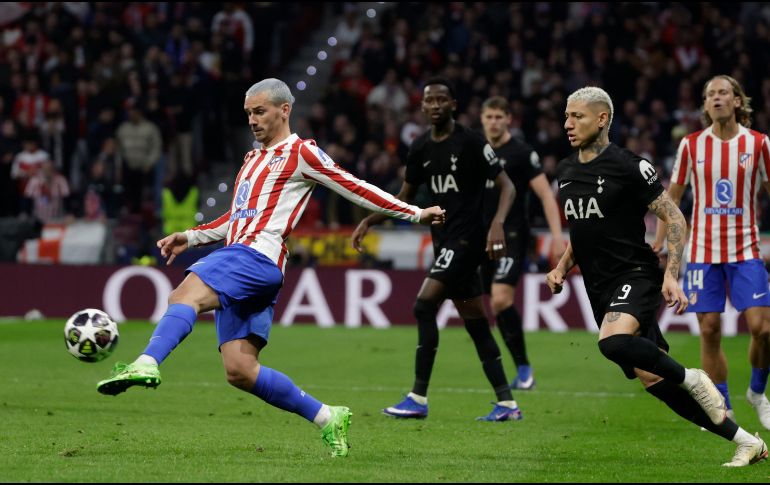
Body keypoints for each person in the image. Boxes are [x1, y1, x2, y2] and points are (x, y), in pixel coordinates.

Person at [95, 78, 446, 458]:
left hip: (256, 257)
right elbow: (238, 216)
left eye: (259, 111)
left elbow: (354, 185)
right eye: (248, 113)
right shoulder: (251, 159)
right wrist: (191, 237)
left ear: (285, 110)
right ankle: (328, 417)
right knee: (240, 370)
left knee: (185, 294)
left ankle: (146, 363)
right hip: (245, 258)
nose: (252, 120)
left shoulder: (301, 153)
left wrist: (414, 213)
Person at [548, 85, 766, 467]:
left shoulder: (630, 165)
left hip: (635, 274)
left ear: (602, 119)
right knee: (653, 380)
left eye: (576, 116)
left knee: (612, 342)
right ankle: (747, 442)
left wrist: (672, 274)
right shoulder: (566, 170)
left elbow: (674, 216)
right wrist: (562, 266)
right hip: (598, 286)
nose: (568, 123)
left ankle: (694, 377)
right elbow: (582, 230)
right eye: (566, 116)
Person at [352, 77, 521, 421]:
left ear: (453, 104)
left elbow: (508, 187)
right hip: (444, 241)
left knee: (423, 305)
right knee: (475, 323)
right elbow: (405, 198)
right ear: (422, 107)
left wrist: (498, 223)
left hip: (468, 240)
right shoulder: (420, 148)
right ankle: (507, 403)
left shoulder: (472, 141)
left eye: (442, 99)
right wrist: (372, 219)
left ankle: (418, 396)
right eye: (429, 101)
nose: (435, 106)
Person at [653, 75, 770, 429]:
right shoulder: (691, 146)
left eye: (724, 92)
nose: (717, 98)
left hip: (746, 248)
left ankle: (757, 392)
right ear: (704, 105)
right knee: (709, 329)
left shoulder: (759, 144)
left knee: (763, 330)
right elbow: (670, 201)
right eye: (710, 95)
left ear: (737, 101)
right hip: (702, 252)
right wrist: (659, 245)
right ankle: (721, 406)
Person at [479, 95, 565, 390]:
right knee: (493, 305)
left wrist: (556, 237)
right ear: (482, 120)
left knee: (501, 298)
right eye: (488, 117)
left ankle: (524, 369)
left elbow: (545, 195)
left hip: (513, 236)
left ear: (508, 120)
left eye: (498, 117)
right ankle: (519, 369)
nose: (493, 122)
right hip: (479, 238)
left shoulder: (521, 152)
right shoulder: (475, 150)